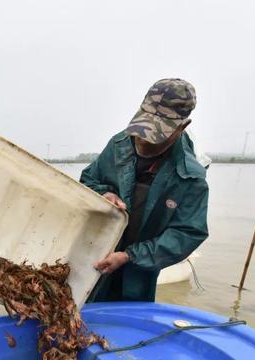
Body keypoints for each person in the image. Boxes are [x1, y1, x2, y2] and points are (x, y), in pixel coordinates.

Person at [81, 78, 209, 302]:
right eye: (141, 130)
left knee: (126, 322)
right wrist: (103, 194)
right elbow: (88, 179)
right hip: (95, 255)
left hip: (139, 271)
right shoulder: (118, 144)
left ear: (182, 126)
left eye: (155, 136)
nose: (142, 141)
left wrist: (130, 256)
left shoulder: (190, 176)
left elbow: (187, 233)